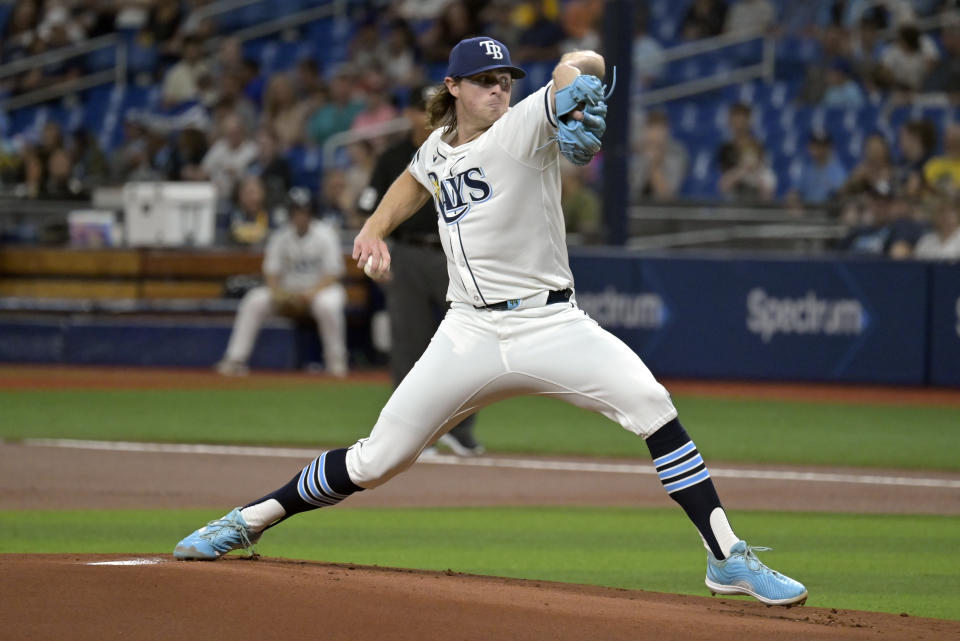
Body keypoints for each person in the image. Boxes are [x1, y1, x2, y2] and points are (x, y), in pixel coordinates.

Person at [175, 36, 808, 608]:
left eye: (504, 78)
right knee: (377, 460)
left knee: (652, 403)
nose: (498, 88)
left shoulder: (525, 125)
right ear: (452, 89)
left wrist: (571, 76)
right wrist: (373, 226)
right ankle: (246, 521)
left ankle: (726, 557)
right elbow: (413, 178)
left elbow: (582, 64)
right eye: (484, 80)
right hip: (468, 333)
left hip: (552, 324)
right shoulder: (437, 148)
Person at [355, 84, 485, 456]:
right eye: (424, 109)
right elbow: (367, 212)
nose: (431, 116)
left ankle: (460, 430)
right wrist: (376, 255)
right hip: (408, 256)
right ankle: (409, 433)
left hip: (457, 258)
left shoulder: (468, 149)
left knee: (466, 346)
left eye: (437, 108)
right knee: (408, 347)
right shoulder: (394, 157)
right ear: (410, 114)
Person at [215, 188, 348, 377]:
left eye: (304, 211)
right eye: (296, 211)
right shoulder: (281, 236)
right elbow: (271, 271)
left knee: (328, 306)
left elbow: (334, 273)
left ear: (312, 212)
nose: (300, 215)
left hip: (320, 291)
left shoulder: (325, 234)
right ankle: (235, 359)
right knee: (255, 300)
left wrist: (311, 292)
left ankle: (336, 363)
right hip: (288, 293)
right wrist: (276, 292)